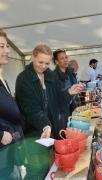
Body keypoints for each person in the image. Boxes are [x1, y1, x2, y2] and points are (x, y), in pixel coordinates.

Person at [15, 44, 83, 179]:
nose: (43, 66)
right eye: (40, 62)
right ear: (32, 58)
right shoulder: (23, 79)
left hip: (50, 131)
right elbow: (31, 109)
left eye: (47, 63)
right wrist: (45, 124)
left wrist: (69, 92)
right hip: (33, 133)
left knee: (50, 167)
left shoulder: (50, 75)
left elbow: (58, 97)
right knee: (36, 171)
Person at [0, 31, 24, 179]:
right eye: (1, 46)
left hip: (9, 153)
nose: (7, 50)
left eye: (7, 46)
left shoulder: (2, 78)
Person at [53, 49, 80, 117]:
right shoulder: (54, 76)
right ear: (56, 62)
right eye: (62, 58)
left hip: (73, 106)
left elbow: (74, 86)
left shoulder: (70, 72)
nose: (65, 60)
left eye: (66, 57)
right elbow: (56, 96)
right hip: (62, 111)